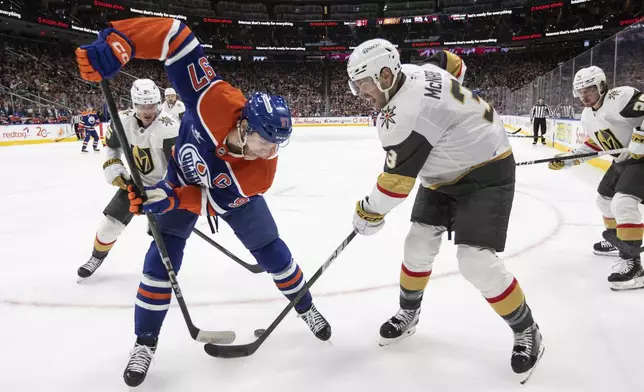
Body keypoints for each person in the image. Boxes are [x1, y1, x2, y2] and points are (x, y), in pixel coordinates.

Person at [75, 17, 331, 387]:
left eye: (278, 144)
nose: (270, 151)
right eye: (265, 141)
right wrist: (122, 42)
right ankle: (145, 342)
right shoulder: (215, 99)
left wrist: (170, 200)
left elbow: (209, 204)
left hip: (227, 199)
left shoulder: (259, 173)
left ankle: (306, 308)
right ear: (245, 124)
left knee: (273, 252)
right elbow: (174, 36)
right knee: (160, 261)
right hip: (181, 174)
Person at [346, 38, 544, 382]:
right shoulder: (416, 71)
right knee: (416, 246)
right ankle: (409, 314)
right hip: (442, 175)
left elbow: (394, 187)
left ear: (385, 74)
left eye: (362, 83)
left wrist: (367, 212)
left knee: (475, 261)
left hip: (486, 173)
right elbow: (451, 62)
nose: (358, 91)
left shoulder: (402, 115)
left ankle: (528, 330)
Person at [548, 66, 644, 290]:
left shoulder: (619, 97)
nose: (584, 96)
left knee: (624, 202)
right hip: (624, 160)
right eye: (580, 91)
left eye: (589, 90)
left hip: (641, 159)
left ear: (601, 86)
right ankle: (618, 240)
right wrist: (567, 159)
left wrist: (641, 137)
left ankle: (634, 264)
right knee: (604, 200)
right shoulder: (587, 116)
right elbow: (595, 146)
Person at [77, 79, 179, 281]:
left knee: (162, 234)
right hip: (134, 184)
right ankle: (96, 257)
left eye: (151, 105)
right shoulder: (121, 120)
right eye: (142, 105)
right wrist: (115, 168)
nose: (147, 110)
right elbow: (112, 148)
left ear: (157, 103)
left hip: (163, 187)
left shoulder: (170, 128)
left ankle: (161, 266)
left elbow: (178, 168)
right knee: (109, 226)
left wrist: (164, 193)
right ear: (134, 104)